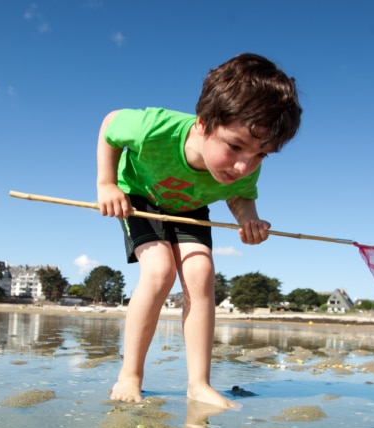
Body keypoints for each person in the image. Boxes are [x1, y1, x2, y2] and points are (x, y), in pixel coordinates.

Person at [96, 53, 302, 409]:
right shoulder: (154, 128)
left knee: (201, 272)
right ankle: (130, 374)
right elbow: (111, 125)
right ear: (204, 124)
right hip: (140, 196)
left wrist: (248, 220)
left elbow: (241, 198)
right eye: (235, 146)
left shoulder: (246, 168)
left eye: (260, 155)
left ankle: (199, 383)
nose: (243, 165)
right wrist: (106, 183)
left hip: (191, 209)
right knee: (160, 271)